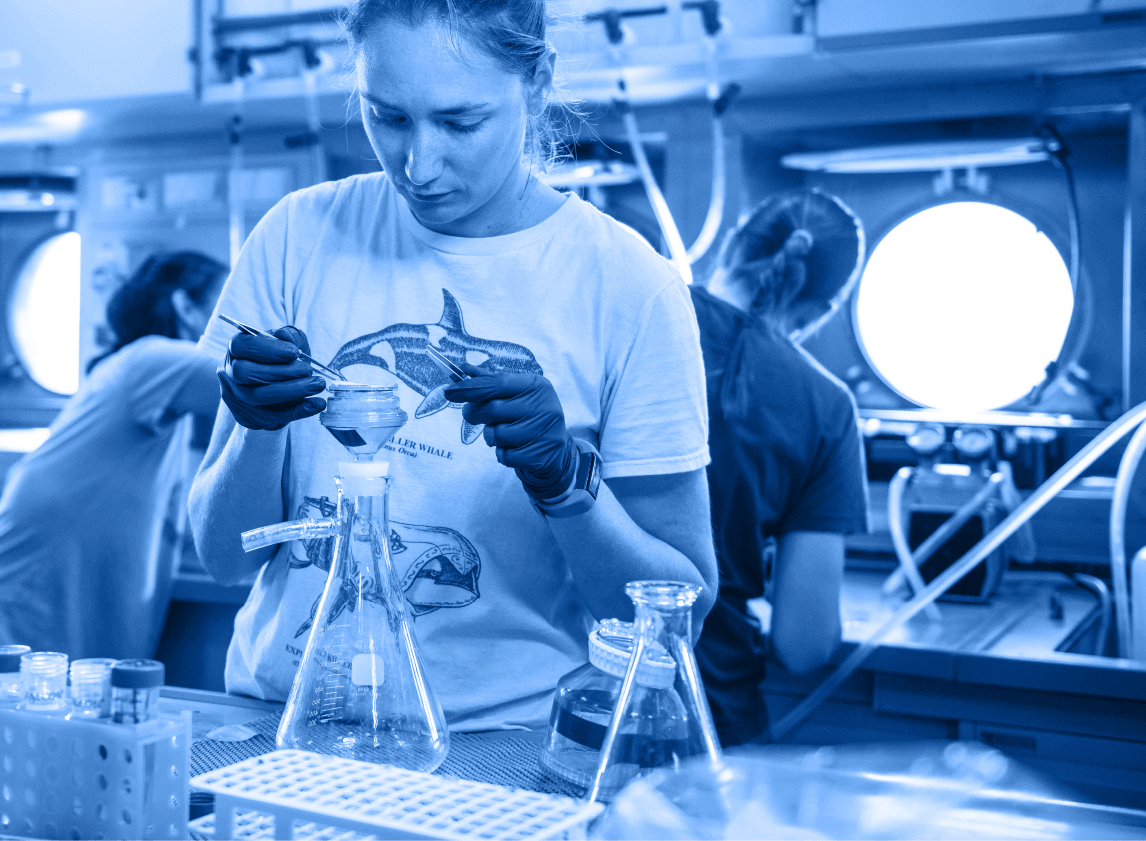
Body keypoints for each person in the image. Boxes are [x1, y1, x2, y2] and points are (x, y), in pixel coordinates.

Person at [189, 0, 718, 732]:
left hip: (497, 745)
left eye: (460, 123)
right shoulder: (296, 236)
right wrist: (256, 430)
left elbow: (677, 615)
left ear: (537, 85)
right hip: (280, 721)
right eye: (389, 117)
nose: (419, 164)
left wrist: (568, 483)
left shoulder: (630, 285)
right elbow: (222, 556)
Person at [689, 189, 869, 746]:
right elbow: (804, 644)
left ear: (731, 246)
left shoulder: (637, 313)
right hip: (711, 718)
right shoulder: (828, 406)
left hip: (567, 694)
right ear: (824, 309)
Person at [0, 251, 227, 660]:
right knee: (37, 691)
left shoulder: (140, 365)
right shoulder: (154, 357)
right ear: (185, 307)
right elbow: (258, 385)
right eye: (226, 304)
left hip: (40, 533)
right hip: (41, 553)